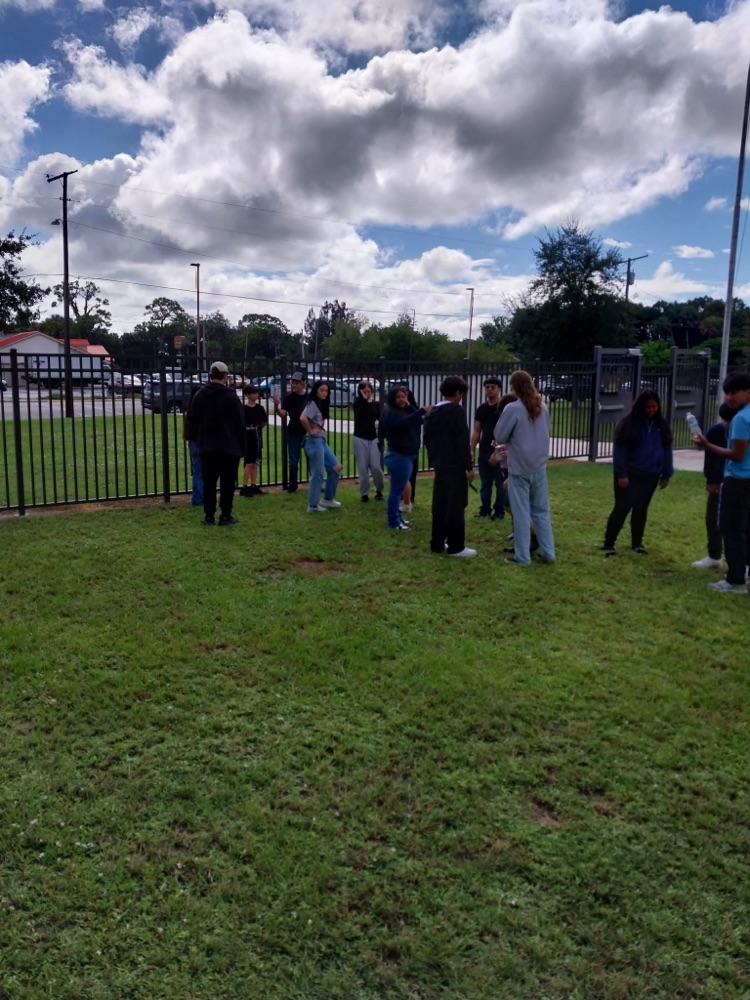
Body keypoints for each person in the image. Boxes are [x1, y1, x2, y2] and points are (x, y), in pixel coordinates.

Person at [694, 373, 750, 592]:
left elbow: (737, 454)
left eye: (734, 392)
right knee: (746, 528)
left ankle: (735, 580)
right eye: (727, 393)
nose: (729, 397)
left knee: (732, 529)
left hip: (738, 480)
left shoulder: (741, 419)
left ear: (748, 392)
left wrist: (707, 444)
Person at [493, 370, 556, 566]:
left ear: (513, 387)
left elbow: (500, 435)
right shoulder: (542, 407)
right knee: (541, 511)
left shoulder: (513, 408)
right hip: (539, 465)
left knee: (521, 512)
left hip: (519, 467)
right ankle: (548, 553)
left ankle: (522, 557)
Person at [601, 389, 673, 557]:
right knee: (622, 507)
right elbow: (620, 451)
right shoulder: (628, 424)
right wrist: (622, 474)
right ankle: (609, 543)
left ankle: (637, 543)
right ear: (641, 406)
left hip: (651, 474)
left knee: (641, 509)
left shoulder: (661, 425)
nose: (651, 410)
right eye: (647, 407)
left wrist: (666, 474)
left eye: (654, 407)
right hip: (630, 473)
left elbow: (667, 449)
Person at [423, 375, 476, 557]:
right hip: (455, 465)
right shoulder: (456, 411)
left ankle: (437, 543)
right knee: (456, 505)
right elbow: (461, 441)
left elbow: (427, 440)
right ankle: (456, 546)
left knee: (440, 504)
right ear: (458, 392)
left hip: (439, 464)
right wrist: (468, 467)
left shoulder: (432, 412)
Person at [189, 361, 246, 525]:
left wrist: (200, 440)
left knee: (209, 484)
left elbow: (194, 420)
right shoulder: (231, 397)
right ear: (225, 376)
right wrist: (242, 447)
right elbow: (240, 424)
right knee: (227, 484)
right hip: (229, 448)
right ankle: (225, 515)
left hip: (208, 447)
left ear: (211, 375)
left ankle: (209, 516)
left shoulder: (200, 395)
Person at [380, 385, 430, 530]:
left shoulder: (403, 410)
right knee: (396, 491)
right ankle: (393, 522)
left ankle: (398, 518)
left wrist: (411, 407)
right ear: (392, 399)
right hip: (399, 456)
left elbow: (419, 421)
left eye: (404, 396)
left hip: (407, 455)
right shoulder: (390, 413)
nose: (402, 399)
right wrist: (421, 410)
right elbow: (403, 424)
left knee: (398, 489)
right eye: (399, 397)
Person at [692, 402, 733, 569]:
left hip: (739, 481)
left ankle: (742, 562)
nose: (727, 424)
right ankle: (714, 555)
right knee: (713, 519)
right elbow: (710, 458)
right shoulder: (716, 431)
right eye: (725, 420)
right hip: (719, 482)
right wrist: (710, 480)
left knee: (738, 523)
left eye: (730, 420)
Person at [301, 380, 343, 513]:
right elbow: (303, 418)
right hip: (314, 441)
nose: (325, 393)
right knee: (318, 473)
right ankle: (313, 506)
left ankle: (327, 499)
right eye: (322, 390)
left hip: (321, 441)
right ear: (316, 391)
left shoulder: (320, 404)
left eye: (326, 391)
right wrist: (310, 431)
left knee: (336, 468)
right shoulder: (312, 403)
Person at [470, 377, 506, 520]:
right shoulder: (482, 409)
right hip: (484, 450)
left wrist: (496, 453)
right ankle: (485, 509)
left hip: (500, 450)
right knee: (485, 484)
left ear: (499, 389)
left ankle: (499, 511)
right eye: (487, 387)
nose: (490, 390)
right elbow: (477, 431)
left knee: (500, 483)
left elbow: (507, 432)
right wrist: (472, 448)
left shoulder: (504, 409)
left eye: (493, 387)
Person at [273, 371, 308, 493]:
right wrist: (277, 407)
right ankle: (292, 484)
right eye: (293, 383)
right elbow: (283, 414)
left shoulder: (308, 398)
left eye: (297, 383)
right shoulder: (289, 398)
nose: (294, 385)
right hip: (293, 431)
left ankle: (315, 481)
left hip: (307, 432)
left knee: (311, 458)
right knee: (293, 460)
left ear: (303, 384)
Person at [351, 380, 384, 502]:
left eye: (368, 391)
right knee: (363, 467)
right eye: (364, 391)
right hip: (360, 438)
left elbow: (380, 419)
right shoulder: (357, 404)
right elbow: (360, 415)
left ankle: (379, 490)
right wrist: (364, 401)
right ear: (360, 392)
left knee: (376, 466)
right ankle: (364, 493)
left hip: (374, 438)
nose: (367, 394)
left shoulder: (376, 404)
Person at [240, 384, 268, 497]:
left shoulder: (260, 408)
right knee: (249, 463)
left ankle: (254, 485)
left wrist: (258, 428)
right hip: (248, 439)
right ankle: (244, 487)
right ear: (247, 395)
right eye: (254, 393)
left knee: (256, 463)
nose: (256, 395)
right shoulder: (244, 409)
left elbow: (264, 421)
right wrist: (247, 428)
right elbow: (240, 424)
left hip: (257, 438)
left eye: (257, 393)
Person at [183, 384, 203, 506]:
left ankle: (196, 497)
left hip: (192, 442)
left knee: (196, 471)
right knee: (202, 473)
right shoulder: (201, 409)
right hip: (201, 442)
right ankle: (201, 498)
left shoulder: (190, 409)